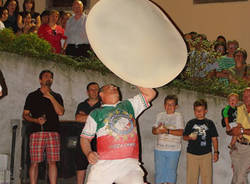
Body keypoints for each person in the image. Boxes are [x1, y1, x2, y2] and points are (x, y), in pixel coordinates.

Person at [80, 84, 156, 184]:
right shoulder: (96, 113)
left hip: (129, 165)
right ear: (101, 94)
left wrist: (134, 77)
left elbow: (151, 93)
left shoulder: (129, 105)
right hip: (104, 164)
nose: (115, 87)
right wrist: (88, 153)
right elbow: (84, 138)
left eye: (116, 87)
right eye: (110, 87)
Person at [22, 70, 64, 184]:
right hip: (36, 132)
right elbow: (25, 115)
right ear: (40, 80)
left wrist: (50, 96)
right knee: (34, 162)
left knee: (52, 162)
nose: (48, 78)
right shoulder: (32, 96)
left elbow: (60, 112)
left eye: (51, 77)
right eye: (46, 76)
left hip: (53, 132)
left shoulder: (57, 96)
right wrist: (35, 120)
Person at [183, 99, 219, 184]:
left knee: (207, 179)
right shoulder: (190, 123)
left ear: (205, 111)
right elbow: (184, 137)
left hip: (206, 154)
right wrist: (190, 137)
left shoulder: (210, 123)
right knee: (191, 179)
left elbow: (214, 139)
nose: (198, 112)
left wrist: (216, 152)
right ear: (194, 111)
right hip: (192, 154)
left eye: (201, 110)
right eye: (196, 110)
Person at [152, 95, 184, 184]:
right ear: (164, 105)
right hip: (159, 149)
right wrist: (157, 130)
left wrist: (167, 131)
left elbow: (181, 132)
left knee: (171, 174)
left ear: (176, 106)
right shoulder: (159, 115)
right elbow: (153, 131)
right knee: (159, 174)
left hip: (173, 149)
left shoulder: (178, 116)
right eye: (167, 104)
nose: (169, 106)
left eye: (172, 104)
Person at [75, 82, 101, 184]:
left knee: (99, 166)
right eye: (92, 89)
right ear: (87, 92)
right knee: (81, 166)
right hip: (83, 139)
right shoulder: (81, 105)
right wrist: (96, 118)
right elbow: (77, 118)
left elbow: (82, 118)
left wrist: (85, 117)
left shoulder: (103, 105)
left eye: (96, 89)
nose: (94, 91)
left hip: (99, 140)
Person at [228, 87, 250, 184]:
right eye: (244, 96)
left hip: (248, 149)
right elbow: (232, 129)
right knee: (237, 175)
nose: (245, 98)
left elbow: (240, 130)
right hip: (237, 146)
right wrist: (231, 131)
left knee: (241, 175)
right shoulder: (240, 109)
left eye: (248, 96)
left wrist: (242, 131)